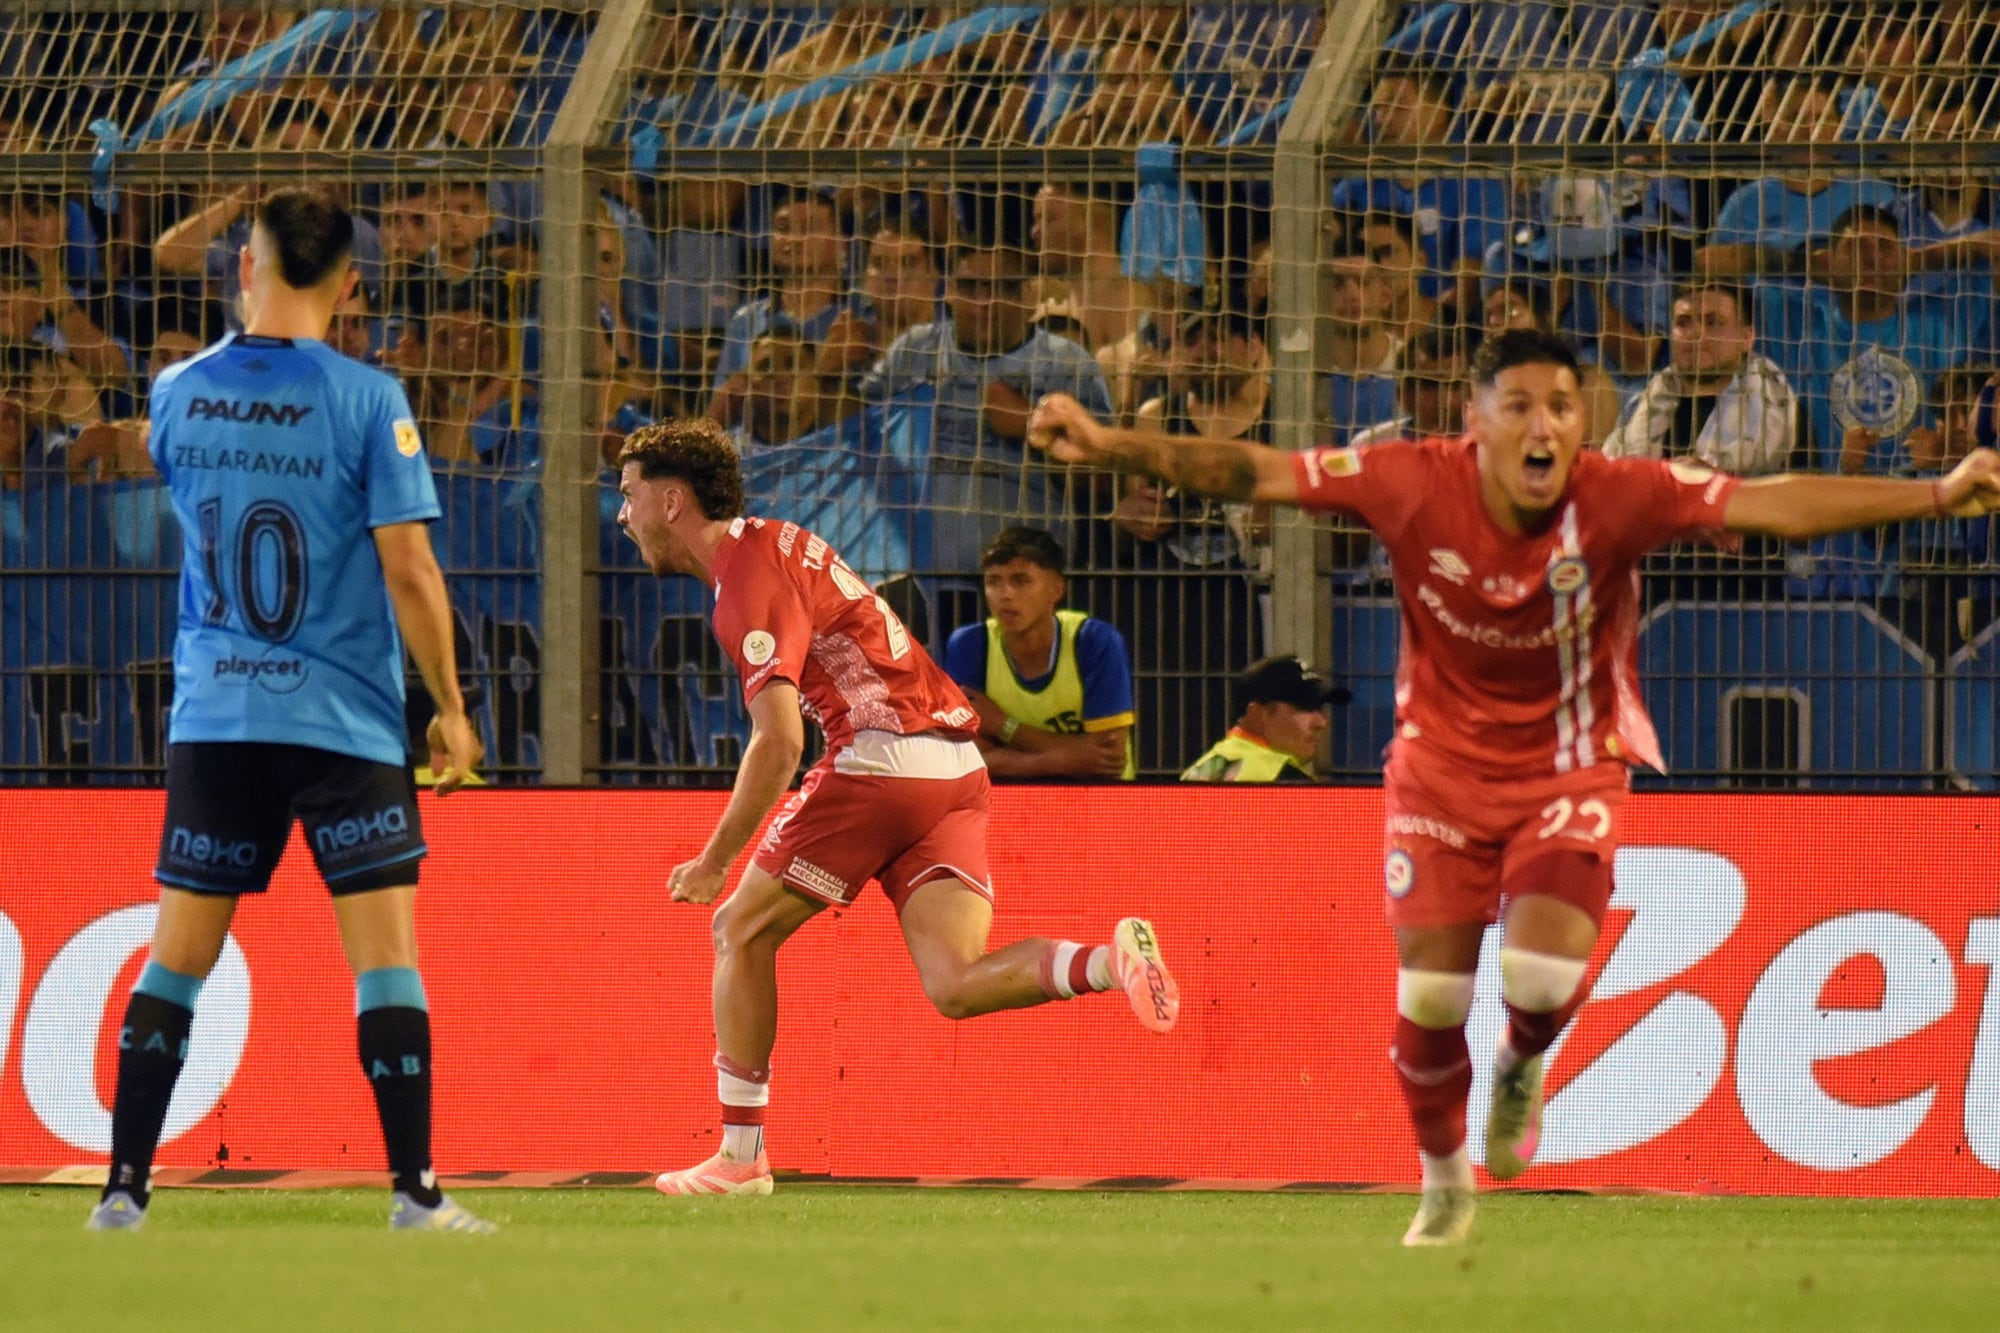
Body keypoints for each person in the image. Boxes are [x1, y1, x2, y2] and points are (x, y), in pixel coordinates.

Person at [1027, 326, 2000, 1248]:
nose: (1543, 426)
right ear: (1474, 417)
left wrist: (1931, 492)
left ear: (1582, 423)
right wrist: (1110, 443)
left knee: (1535, 975)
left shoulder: (1619, 492)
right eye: (1520, 404)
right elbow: (1251, 471)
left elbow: (1767, 502)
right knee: (1430, 1002)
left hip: (1566, 761)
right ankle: (1443, 1176)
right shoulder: (1407, 479)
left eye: (1563, 408)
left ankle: (1520, 1063)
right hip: (1437, 773)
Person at [614, 417, 1179, 1198]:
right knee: (955, 982)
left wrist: (715, 861)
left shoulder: (744, 576)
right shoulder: (776, 540)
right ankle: (1107, 961)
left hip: (880, 757)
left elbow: (778, 743)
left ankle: (740, 1157)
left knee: (737, 927)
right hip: (954, 767)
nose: (623, 513)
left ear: (672, 501)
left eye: (629, 493)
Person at [87, 190, 492, 1233]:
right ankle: (415, 1194)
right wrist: (448, 707)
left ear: (243, 271)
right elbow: (408, 565)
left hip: (216, 717)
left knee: (179, 953)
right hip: (343, 719)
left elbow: (173, 466)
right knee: (385, 957)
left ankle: (123, 1192)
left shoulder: (177, 391)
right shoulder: (370, 399)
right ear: (352, 285)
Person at [943, 526, 1136, 781]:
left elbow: (1107, 760)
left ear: (1055, 590)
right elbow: (967, 760)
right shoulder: (970, 645)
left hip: (1100, 804)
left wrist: (1003, 726)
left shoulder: (1094, 642)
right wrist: (1061, 760)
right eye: (993, 582)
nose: (1005, 595)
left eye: (1020, 581)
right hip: (1011, 804)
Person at [1180, 655, 1342, 784]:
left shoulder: (1198, 770)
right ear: (1258, 714)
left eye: (1320, 707)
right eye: (1304, 707)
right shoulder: (1284, 781)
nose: (1321, 723)